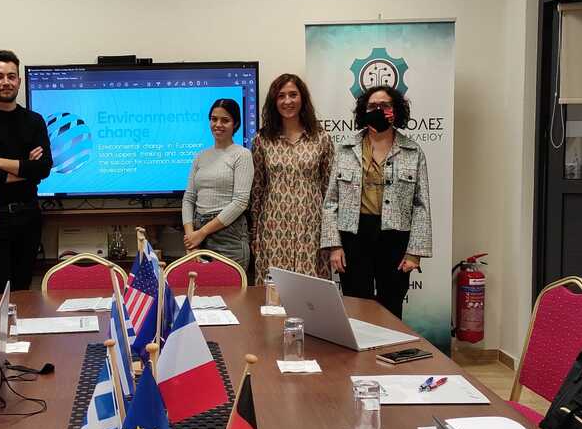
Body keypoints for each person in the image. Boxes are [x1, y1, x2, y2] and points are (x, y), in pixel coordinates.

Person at [320, 85, 432, 318]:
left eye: (385, 105)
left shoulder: (413, 151)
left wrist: (415, 252)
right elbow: (331, 202)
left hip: (395, 237)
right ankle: (358, 344)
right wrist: (335, 246)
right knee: (356, 305)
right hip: (354, 236)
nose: (378, 110)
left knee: (391, 306)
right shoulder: (346, 150)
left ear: (396, 110)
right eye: (372, 106)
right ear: (364, 111)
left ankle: (389, 344)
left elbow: (421, 206)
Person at [0, 49, 53, 293]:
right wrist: (26, 167)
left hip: (29, 216)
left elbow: (43, 168)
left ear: (19, 81)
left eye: (11, 76)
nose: (6, 82)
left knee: (23, 289)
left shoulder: (34, 121)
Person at [250, 74, 334, 283]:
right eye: (281, 96)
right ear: (274, 101)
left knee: (311, 292)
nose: (287, 101)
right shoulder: (262, 139)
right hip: (273, 227)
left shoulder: (321, 138)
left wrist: (331, 236)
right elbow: (257, 188)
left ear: (302, 98)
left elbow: (330, 190)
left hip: (311, 226)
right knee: (274, 291)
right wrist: (255, 233)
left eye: (293, 95)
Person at [182, 98, 254, 268]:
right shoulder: (200, 156)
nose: (218, 124)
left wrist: (202, 232)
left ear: (236, 124)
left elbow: (240, 202)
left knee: (230, 286)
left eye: (225, 120)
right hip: (198, 234)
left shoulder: (242, 154)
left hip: (229, 236)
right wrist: (191, 239)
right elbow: (188, 198)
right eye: (214, 119)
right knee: (200, 285)